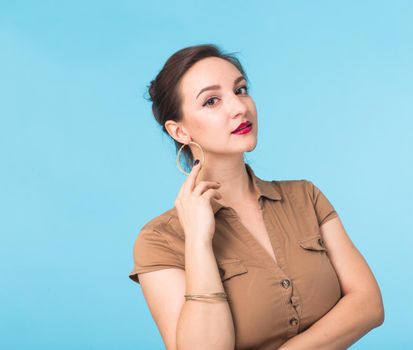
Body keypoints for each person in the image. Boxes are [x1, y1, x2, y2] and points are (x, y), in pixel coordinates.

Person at [128, 44, 384, 350]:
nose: (239, 107)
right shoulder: (160, 240)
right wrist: (198, 242)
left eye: (241, 90)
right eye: (212, 101)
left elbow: (369, 305)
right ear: (180, 131)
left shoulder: (306, 197)